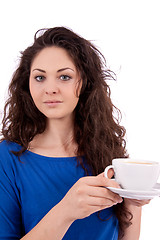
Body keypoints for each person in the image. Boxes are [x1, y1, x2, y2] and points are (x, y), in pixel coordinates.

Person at [0, 27, 150, 240]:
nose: (50, 88)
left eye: (64, 76)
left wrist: (133, 205)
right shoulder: (8, 157)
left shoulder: (108, 150)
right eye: (40, 77)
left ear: (85, 82)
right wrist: (66, 211)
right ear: (28, 84)